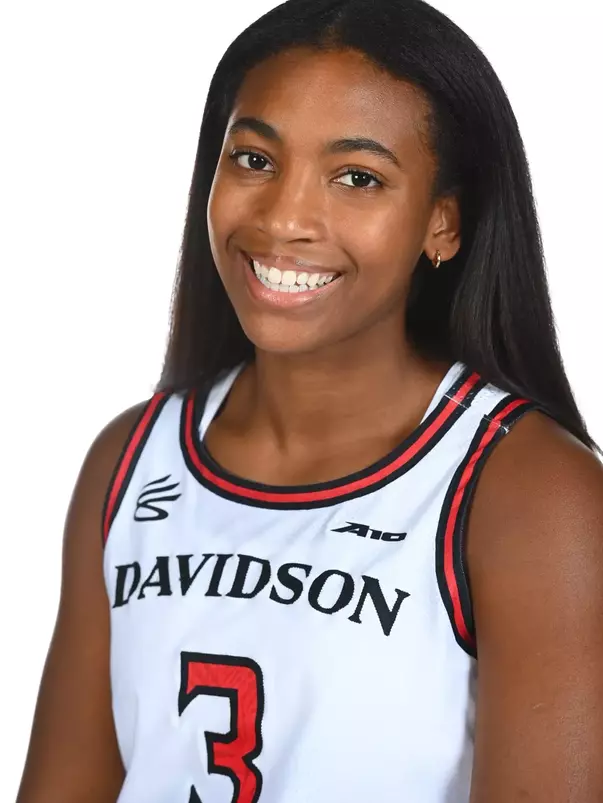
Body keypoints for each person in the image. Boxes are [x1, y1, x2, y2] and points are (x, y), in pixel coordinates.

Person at [16, 0, 603, 801]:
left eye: (357, 177)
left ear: (442, 222)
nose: (285, 217)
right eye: (254, 159)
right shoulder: (129, 461)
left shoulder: (529, 493)